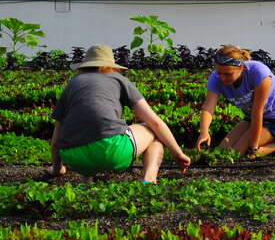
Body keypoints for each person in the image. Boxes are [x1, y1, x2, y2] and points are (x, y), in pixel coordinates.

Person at [48, 44, 191, 183]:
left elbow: (55, 142)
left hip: (74, 158)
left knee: (87, 133)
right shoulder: (117, 79)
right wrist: (177, 153)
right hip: (111, 152)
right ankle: (148, 181)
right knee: (152, 132)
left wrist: (57, 169)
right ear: (110, 66)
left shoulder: (73, 84)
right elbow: (156, 122)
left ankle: (87, 182)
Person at [196, 45, 275, 158]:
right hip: (252, 116)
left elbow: (258, 112)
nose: (222, 78)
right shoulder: (216, 78)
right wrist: (204, 132)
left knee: (238, 154)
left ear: (241, 67)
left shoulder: (259, 73)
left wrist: (253, 148)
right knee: (223, 150)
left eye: (228, 74)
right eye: (219, 73)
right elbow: (208, 107)